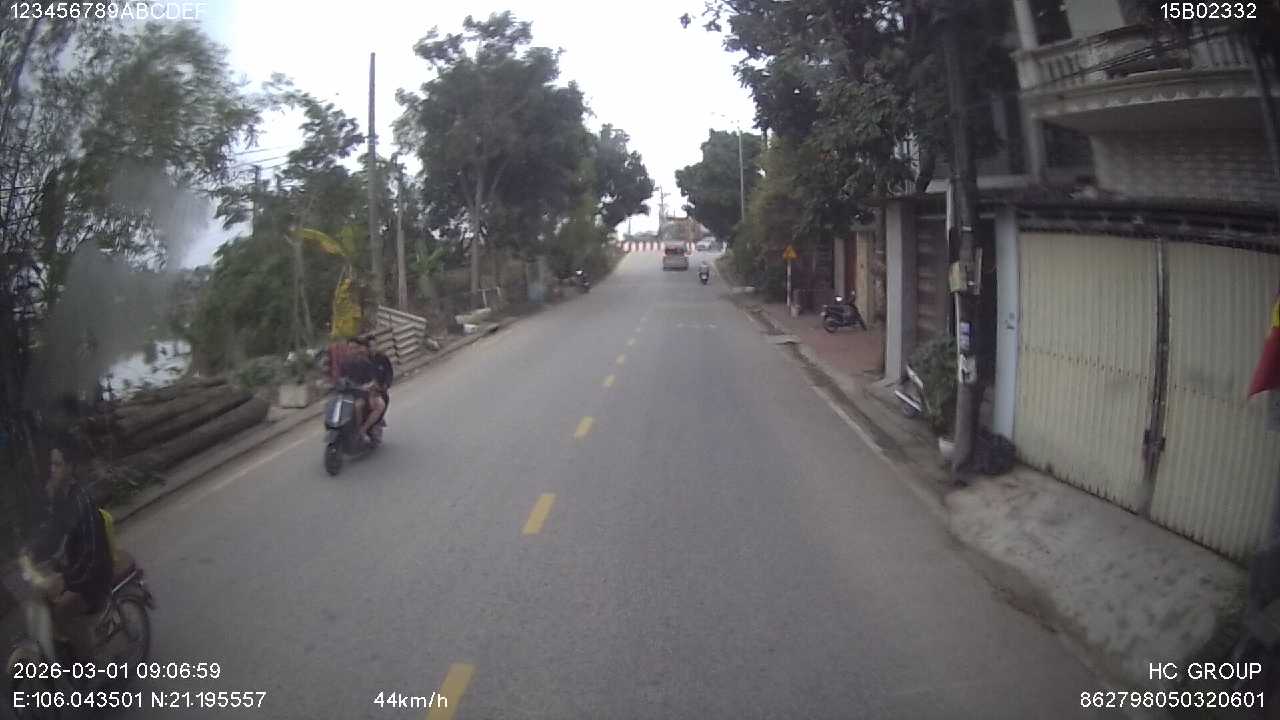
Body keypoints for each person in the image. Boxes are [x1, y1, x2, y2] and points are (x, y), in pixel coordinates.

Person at [28, 444, 114, 660]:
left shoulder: (82, 501)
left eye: (57, 464)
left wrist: (65, 580)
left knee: (62, 611)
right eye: (52, 464)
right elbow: (53, 532)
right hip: (74, 570)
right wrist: (33, 550)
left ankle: (88, 665)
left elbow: (92, 557)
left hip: (94, 577)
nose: (52, 470)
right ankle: (66, 650)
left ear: (70, 467)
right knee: (39, 596)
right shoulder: (61, 498)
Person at [338, 335, 387, 444]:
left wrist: (368, 386)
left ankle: (362, 430)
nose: (352, 350)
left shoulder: (365, 363)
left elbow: (373, 380)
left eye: (355, 348)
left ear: (359, 349)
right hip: (348, 394)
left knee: (379, 405)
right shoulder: (344, 363)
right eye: (350, 348)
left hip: (363, 394)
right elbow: (340, 379)